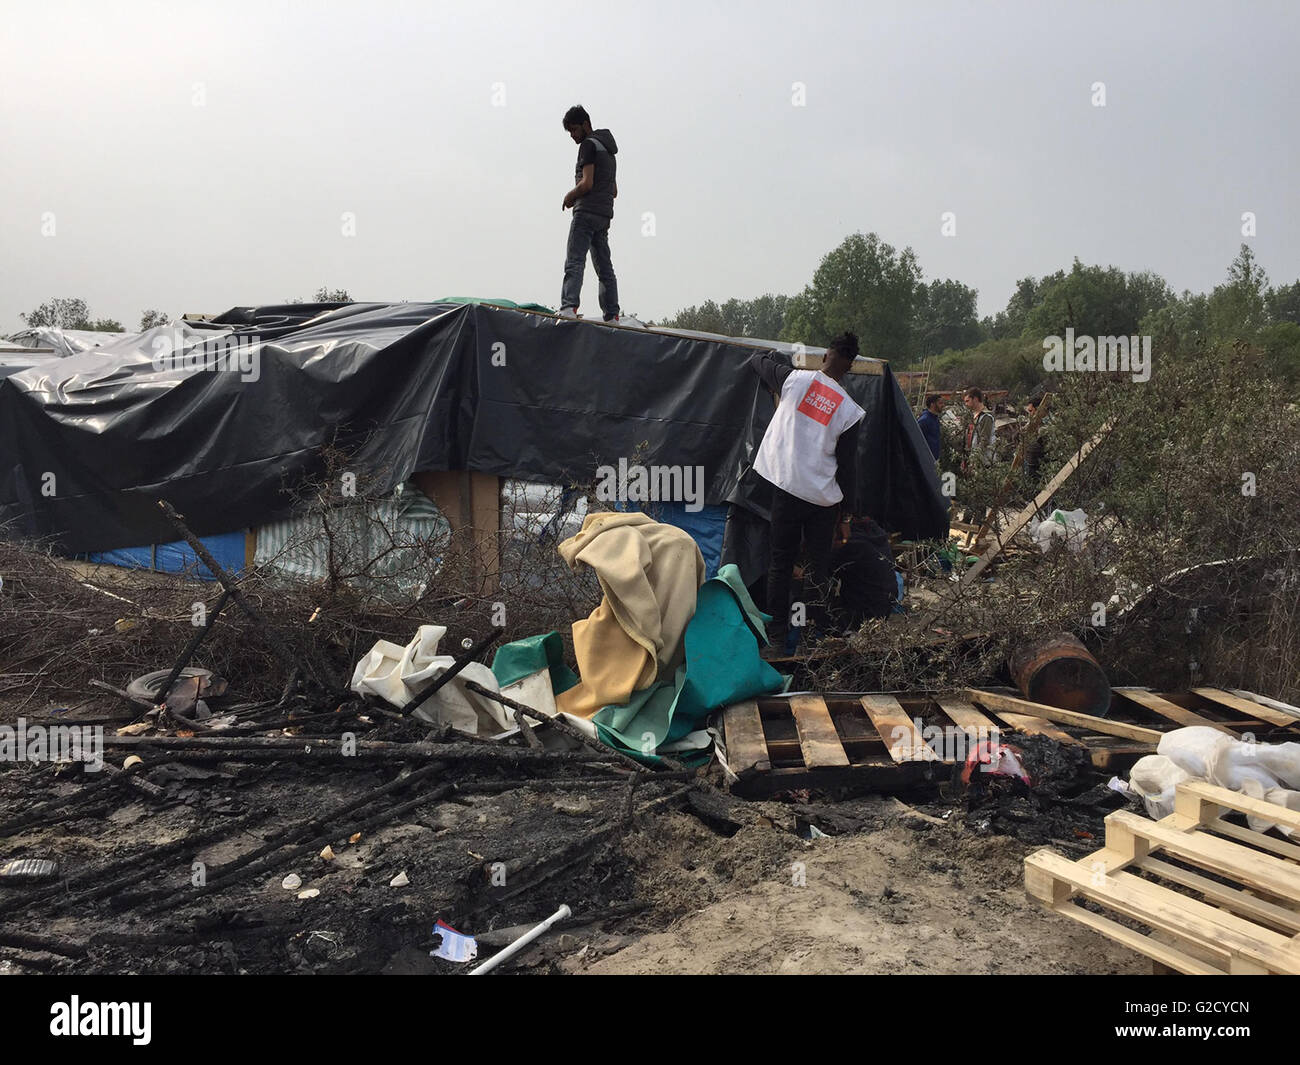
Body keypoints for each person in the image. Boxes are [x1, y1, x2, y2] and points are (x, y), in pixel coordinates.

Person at [749, 333, 866, 656]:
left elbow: (758, 363)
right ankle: (812, 637)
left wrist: (768, 354)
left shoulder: (795, 381)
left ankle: (776, 640)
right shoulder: (849, 410)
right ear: (850, 366)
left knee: (780, 564)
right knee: (817, 568)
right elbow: (847, 468)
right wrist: (846, 514)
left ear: (826, 355)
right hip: (822, 501)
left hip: (787, 490)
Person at [558, 105, 621, 322]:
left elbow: (587, 183)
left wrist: (570, 196)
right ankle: (612, 315)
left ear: (586, 124)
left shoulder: (588, 146)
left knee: (575, 260)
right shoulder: (609, 151)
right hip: (604, 215)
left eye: (575, 130)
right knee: (604, 266)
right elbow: (613, 190)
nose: (573, 136)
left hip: (585, 213)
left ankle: (568, 308)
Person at [962, 387, 996, 470]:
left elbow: (984, 440)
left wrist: (975, 459)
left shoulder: (986, 417)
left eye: (967, 401)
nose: (966, 404)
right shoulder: (972, 416)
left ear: (975, 399)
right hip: (973, 459)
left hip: (983, 461)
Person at [917, 392, 944, 460]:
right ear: (932, 404)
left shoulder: (935, 419)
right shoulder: (924, 420)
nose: (943, 405)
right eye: (940, 403)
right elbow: (918, 441)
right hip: (926, 461)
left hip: (934, 459)